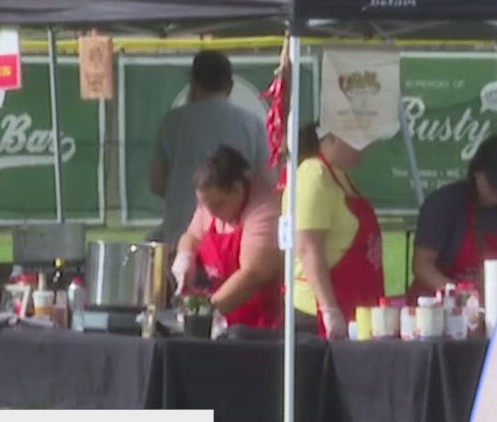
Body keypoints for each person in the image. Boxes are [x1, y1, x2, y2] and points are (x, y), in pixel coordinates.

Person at [150, 52, 268, 244]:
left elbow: (157, 182)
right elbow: (265, 180)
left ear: (193, 84)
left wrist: (187, 195)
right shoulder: (252, 123)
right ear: (229, 86)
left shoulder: (172, 122)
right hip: (236, 235)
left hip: (181, 231)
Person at [285, 122, 384, 339]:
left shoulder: (341, 176)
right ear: (331, 138)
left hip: (355, 303)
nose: (364, 148)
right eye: (356, 141)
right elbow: (308, 249)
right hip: (317, 313)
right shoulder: (312, 174)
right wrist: (329, 309)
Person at [172, 146, 285, 329]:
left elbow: (253, 274)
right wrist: (185, 257)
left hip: (260, 325)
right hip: (224, 318)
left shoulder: (264, 208)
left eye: (218, 205)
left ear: (237, 189)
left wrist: (203, 312)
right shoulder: (211, 207)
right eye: (205, 206)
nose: (212, 213)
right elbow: (192, 236)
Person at [410, 135, 497, 296]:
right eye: (494, 185)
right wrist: (458, 293)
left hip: (491, 304)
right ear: (477, 173)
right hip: (438, 307)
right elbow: (422, 265)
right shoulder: (444, 204)